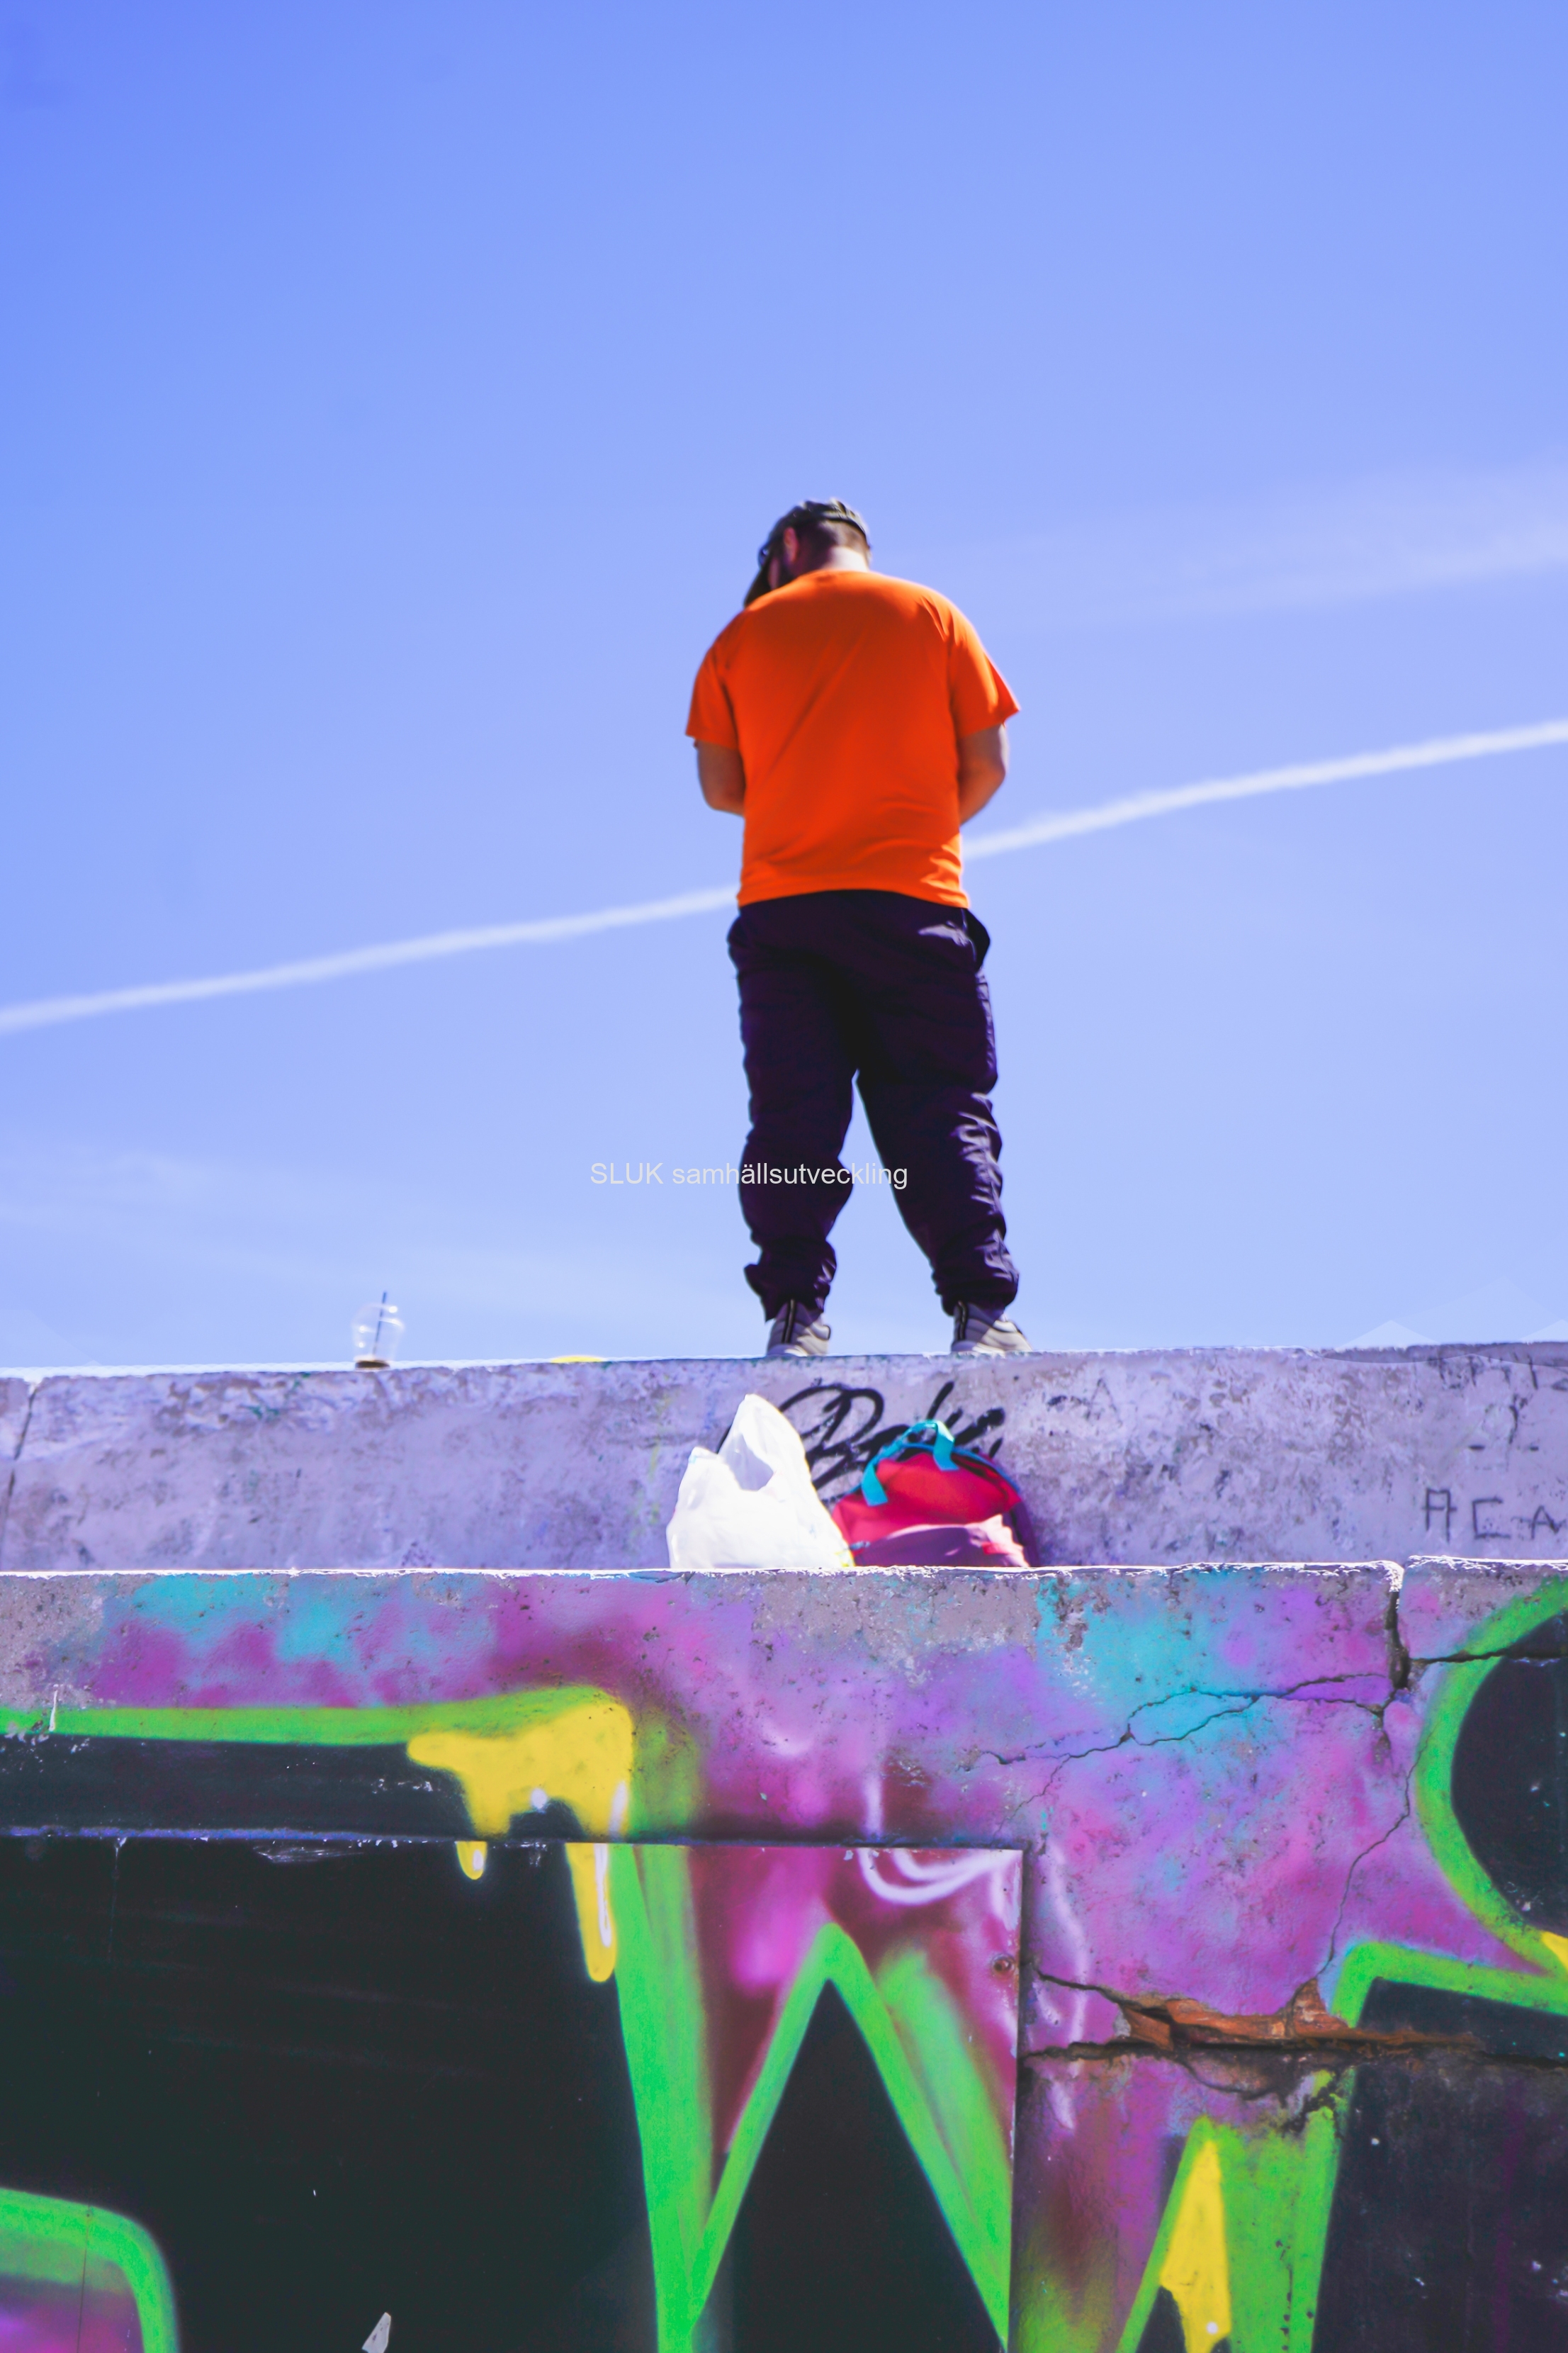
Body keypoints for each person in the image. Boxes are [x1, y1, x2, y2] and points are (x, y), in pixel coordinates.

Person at [687, 498, 1030, 1360]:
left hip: (784, 911)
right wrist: (908, 827)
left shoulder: (738, 638)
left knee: (791, 1115)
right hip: (914, 903)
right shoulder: (933, 614)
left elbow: (721, 788)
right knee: (938, 1105)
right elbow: (988, 763)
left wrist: (806, 803)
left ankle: (792, 1316)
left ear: (787, 547)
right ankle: (978, 1313)